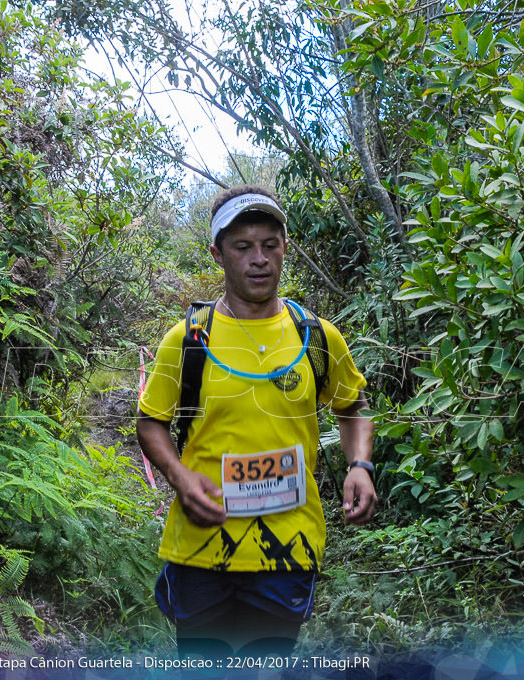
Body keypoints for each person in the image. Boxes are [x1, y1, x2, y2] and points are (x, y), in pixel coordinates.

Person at [136, 185, 376, 661]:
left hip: (287, 547)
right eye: (243, 247)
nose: (259, 259)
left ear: (285, 247)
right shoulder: (186, 341)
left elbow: (354, 406)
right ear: (217, 254)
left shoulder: (317, 336)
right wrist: (180, 478)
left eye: (270, 244)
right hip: (203, 546)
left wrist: (360, 465)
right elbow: (150, 423)